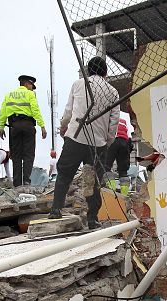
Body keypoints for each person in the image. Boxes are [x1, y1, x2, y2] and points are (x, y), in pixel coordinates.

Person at [48, 56, 120, 229]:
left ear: (88, 70)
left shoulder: (78, 84)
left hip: (76, 136)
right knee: (93, 181)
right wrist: (107, 142)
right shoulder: (113, 92)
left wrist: (64, 127)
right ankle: (92, 219)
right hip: (98, 143)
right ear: (106, 73)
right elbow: (114, 122)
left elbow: (68, 111)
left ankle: (56, 209)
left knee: (64, 174)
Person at [0, 75, 47, 187]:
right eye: (31, 86)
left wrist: (1, 127)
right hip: (28, 125)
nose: (32, 89)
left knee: (16, 155)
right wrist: (42, 126)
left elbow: (3, 112)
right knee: (28, 154)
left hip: (14, 127)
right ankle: (26, 181)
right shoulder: (30, 94)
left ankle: (17, 182)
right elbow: (35, 110)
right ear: (26, 84)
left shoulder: (8, 95)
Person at [105, 116, 132, 194]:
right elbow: (129, 138)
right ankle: (124, 194)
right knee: (123, 171)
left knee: (106, 167)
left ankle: (111, 190)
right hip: (125, 143)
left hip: (113, 140)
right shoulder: (124, 122)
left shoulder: (108, 120)